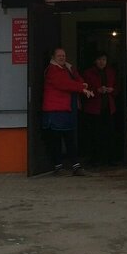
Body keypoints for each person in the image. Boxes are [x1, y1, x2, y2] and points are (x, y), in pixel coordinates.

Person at [42, 48, 93, 176]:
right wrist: (82, 88)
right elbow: (64, 84)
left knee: (69, 138)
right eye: (59, 55)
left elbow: (77, 79)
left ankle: (73, 166)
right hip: (55, 110)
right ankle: (60, 166)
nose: (62, 57)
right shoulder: (52, 70)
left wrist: (82, 85)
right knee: (58, 139)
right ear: (53, 57)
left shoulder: (67, 69)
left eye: (63, 55)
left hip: (66, 108)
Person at [82, 52, 120, 167]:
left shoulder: (111, 72)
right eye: (99, 59)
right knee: (94, 135)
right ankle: (95, 159)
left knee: (109, 134)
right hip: (94, 108)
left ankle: (110, 158)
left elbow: (118, 88)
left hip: (109, 108)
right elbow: (84, 90)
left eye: (104, 59)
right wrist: (96, 90)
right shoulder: (88, 73)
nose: (102, 62)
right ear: (95, 61)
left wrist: (111, 90)